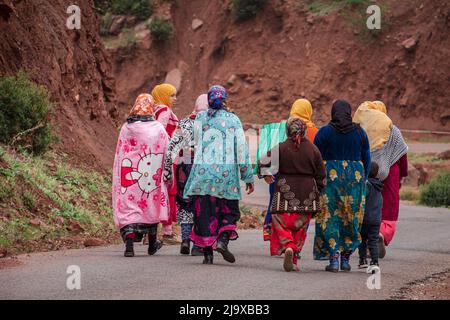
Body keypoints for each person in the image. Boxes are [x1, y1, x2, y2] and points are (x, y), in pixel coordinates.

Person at [184, 85, 255, 264]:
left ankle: (208, 254)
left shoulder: (200, 118)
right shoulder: (233, 120)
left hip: (202, 174)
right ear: (225, 99)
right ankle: (222, 241)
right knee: (228, 210)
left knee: (204, 213)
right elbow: (241, 150)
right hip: (226, 177)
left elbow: (195, 144)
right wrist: (247, 176)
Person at [258, 118, 326, 272]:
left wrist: (267, 174)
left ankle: (287, 245)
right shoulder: (313, 150)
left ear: (288, 131)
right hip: (307, 194)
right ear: (305, 131)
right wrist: (319, 190)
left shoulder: (281, 148)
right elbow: (321, 175)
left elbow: (262, 162)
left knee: (280, 221)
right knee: (300, 227)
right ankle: (294, 258)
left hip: (285, 192)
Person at [313, 100, 371, 272]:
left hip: (330, 179)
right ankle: (346, 258)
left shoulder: (324, 132)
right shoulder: (360, 132)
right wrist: (363, 178)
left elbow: (315, 157)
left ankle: (333, 258)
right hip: (355, 179)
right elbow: (367, 159)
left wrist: (316, 179)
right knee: (351, 217)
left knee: (329, 215)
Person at [112, 94, 169, 257]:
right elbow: (165, 149)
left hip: (129, 176)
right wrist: (167, 172)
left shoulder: (127, 127)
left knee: (130, 208)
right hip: (150, 177)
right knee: (150, 207)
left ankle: (129, 246)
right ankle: (152, 245)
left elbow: (120, 152)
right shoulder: (158, 128)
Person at [258, 99, 320, 242]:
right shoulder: (315, 132)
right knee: (302, 212)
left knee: (276, 204)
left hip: (280, 176)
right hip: (305, 182)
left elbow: (265, 158)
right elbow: (319, 163)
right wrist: (320, 186)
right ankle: (294, 242)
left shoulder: (282, 128)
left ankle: (272, 230)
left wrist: (265, 173)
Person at [354, 101, 408, 258]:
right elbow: (402, 155)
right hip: (391, 173)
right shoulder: (394, 130)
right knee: (388, 212)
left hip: (367, 173)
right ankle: (382, 235)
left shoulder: (361, 129)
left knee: (368, 210)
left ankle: (368, 244)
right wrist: (402, 174)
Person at [163, 94, 209, 256]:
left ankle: (185, 239)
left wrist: (167, 170)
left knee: (185, 204)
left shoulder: (184, 123)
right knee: (202, 205)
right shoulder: (213, 124)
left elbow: (171, 147)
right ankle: (198, 244)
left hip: (185, 168)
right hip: (205, 169)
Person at [151, 83, 180, 244]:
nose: (175, 99)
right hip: (167, 158)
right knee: (169, 193)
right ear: (163, 95)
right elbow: (160, 133)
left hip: (153, 158)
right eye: (172, 95)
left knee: (154, 193)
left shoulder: (152, 110)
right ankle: (168, 232)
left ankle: (151, 232)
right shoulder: (165, 111)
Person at [358, 162, 383, 269]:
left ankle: (363, 260)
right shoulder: (379, 187)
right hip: (376, 220)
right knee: (373, 241)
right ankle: (375, 262)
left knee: (362, 240)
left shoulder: (367, 185)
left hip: (364, 218)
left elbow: (362, 199)